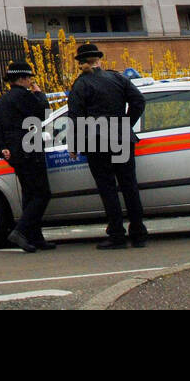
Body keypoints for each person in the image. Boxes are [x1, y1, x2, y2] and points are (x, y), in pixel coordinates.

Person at [67, 41, 148, 249]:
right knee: (130, 185)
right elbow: (138, 101)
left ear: (81, 63)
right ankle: (138, 232)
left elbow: (75, 117)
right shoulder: (117, 78)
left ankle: (117, 235)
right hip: (121, 139)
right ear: (99, 60)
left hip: (97, 142)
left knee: (108, 188)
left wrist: (74, 144)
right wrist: (125, 124)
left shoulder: (81, 85)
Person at [0, 59, 53, 253]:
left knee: (29, 194)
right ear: (22, 78)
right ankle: (21, 231)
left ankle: (35, 237)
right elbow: (44, 114)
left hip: (15, 153)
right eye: (29, 78)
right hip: (30, 149)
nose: (31, 82)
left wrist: (2, 148)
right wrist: (40, 94)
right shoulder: (25, 97)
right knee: (43, 194)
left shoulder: (3, 100)